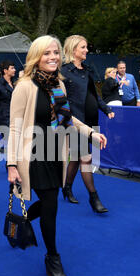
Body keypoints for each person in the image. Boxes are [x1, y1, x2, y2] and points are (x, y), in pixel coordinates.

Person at [7, 35, 108, 276]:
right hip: (34, 154)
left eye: (55, 52)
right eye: (46, 53)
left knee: (49, 202)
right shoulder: (24, 86)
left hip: (56, 153)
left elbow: (68, 119)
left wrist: (91, 133)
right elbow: (16, 129)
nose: (52, 57)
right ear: (36, 57)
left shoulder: (58, 85)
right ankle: (53, 258)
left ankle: (24, 221)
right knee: (51, 203)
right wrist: (10, 164)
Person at [61, 35, 115, 213]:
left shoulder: (87, 70)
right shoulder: (64, 71)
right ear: (73, 49)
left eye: (86, 47)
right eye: (83, 47)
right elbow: (61, 99)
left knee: (77, 158)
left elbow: (95, 96)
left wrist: (106, 109)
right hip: (75, 122)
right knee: (86, 157)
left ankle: (67, 187)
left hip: (91, 121)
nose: (86, 50)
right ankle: (94, 198)